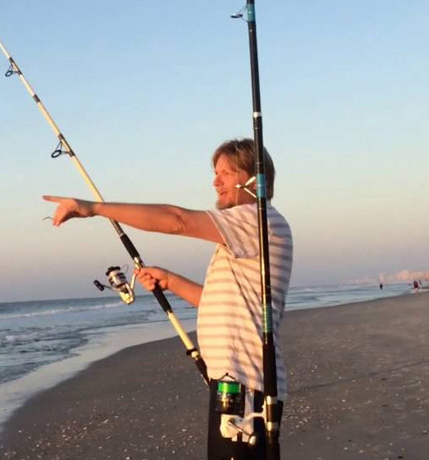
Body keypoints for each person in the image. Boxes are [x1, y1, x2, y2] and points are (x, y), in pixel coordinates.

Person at [44, 138, 292, 459]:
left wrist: (93, 208)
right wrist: (171, 281)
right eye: (215, 173)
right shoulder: (249, 231)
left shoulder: (256, 220)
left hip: (246, 386)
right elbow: (217, 303)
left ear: (254, 179)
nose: (215, 181)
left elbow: (178, 220)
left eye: (226, 174)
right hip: (236, 384)